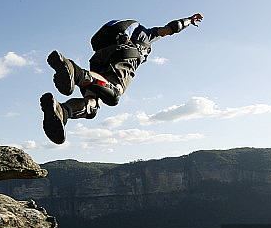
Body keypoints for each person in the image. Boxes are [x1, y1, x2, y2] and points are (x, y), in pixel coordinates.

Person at [40, 14, 203, 144]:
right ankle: (76, 73)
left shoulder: (121, 34)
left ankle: (63, 111)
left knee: (94, 103)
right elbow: (172, 28)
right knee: (114, 92)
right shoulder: (148, 34)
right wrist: (189, 20)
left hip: (98, 58)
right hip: (126, 53)